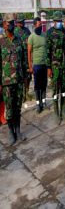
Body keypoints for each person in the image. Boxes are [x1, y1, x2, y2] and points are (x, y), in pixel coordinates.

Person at [0, 13, 27, 145]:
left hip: (19, 80)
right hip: (6, 83)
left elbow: (23, 61)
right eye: (8, 22)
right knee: (9, 110)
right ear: (4, 24)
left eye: (12, 22)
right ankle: (11, 134)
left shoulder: (18, 40)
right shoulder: (1, 41)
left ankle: (18, 130)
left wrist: (26, 76)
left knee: (18, 108)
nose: (10, 24)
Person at [46, 11, 65, 124]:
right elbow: (47, 52)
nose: (59, 22)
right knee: (55, 90)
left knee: (64, 89)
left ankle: (63, 112)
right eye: (57, 21)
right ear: (53, 21)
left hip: (64, 65)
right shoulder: (49, 33)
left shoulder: (64, 31)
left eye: (60, 20)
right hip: (54, 66)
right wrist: (48, 68)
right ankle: (56, 113)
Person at [28, 17, 47, 113]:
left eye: (41, 25)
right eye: (39, 25)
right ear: (35, 25)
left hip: (44, 64)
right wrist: (30, 66)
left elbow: (46, 49)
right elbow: (29, 52)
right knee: (37, 86)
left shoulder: (44, 35)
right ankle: (38, 104)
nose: (40, 27)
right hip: (36, 65)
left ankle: (44, 102)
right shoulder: (31, 37)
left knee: (44, 85)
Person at [15, 13, 32, 102]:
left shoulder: (27, 31)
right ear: (17, 22)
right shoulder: (14, 31)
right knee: (20, 78)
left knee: (28, 77)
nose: (22, 23)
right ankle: (21, 94)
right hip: (18, 59)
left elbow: (30, 42)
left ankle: (26, 92)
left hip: (27, 57)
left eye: (23, 21)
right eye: (20, 22)